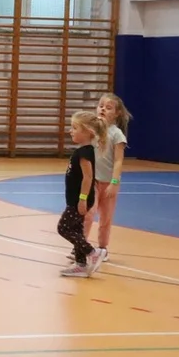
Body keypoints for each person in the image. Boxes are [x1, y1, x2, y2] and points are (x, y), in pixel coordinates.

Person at [82, 93, 132, 264]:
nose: (102, 109)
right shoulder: (91, 131)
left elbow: (118, 161)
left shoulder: (117, 134)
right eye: (101, 105)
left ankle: (103, 248)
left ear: (117, 113)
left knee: (106, 217)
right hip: (92, 181)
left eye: (108, 107)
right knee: (88, 213)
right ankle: (80, 246)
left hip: (108, 183)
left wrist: (114, 182)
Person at [59, 110, 107, 278]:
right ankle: (80, 264)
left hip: (79, 200)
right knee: (77, 230)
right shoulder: (82, 151)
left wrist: (82, 199)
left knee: (63, 228)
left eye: (74, 128)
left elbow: (88, 178)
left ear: (88, 132)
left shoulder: (85, 152)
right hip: (74, 198)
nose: (70, 131)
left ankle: (92, 253)